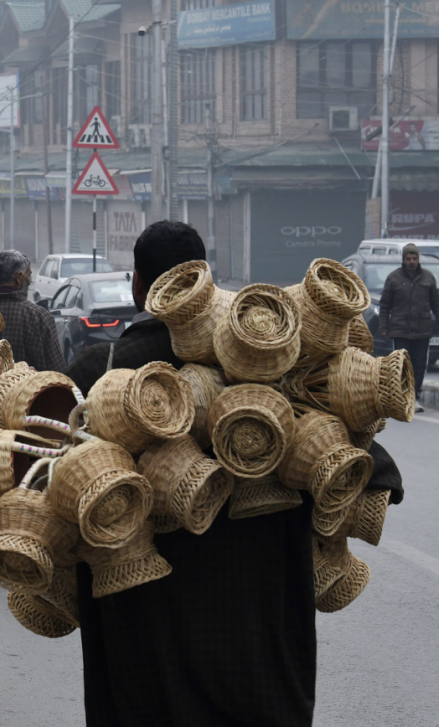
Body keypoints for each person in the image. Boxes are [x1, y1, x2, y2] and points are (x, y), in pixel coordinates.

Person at [65, 220, 404, 726]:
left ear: (139, 285)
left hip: (146, 624)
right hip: (257, 616)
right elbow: (371, 470)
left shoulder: (100, 369)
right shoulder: (268, 365)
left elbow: (52, 473)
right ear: (204, 279)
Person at [379, 242, 438, 412]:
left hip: (422, 330)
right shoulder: (393, 278)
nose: (411, 261)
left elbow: (436, 303)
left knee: (419, 365)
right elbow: (385, 305)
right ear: (403, 260)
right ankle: (401, 397)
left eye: (414, 258)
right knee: (402, 365)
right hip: (400, 330)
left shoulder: (428, 277)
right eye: (408, 258)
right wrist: (384, 327)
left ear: (418, 259)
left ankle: (414, 397)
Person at [0, 250, 65, 373]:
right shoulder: (39, 317)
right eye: (28, 275)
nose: (29, 281)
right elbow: (58, 373)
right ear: (19, 278)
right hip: (31, 391)